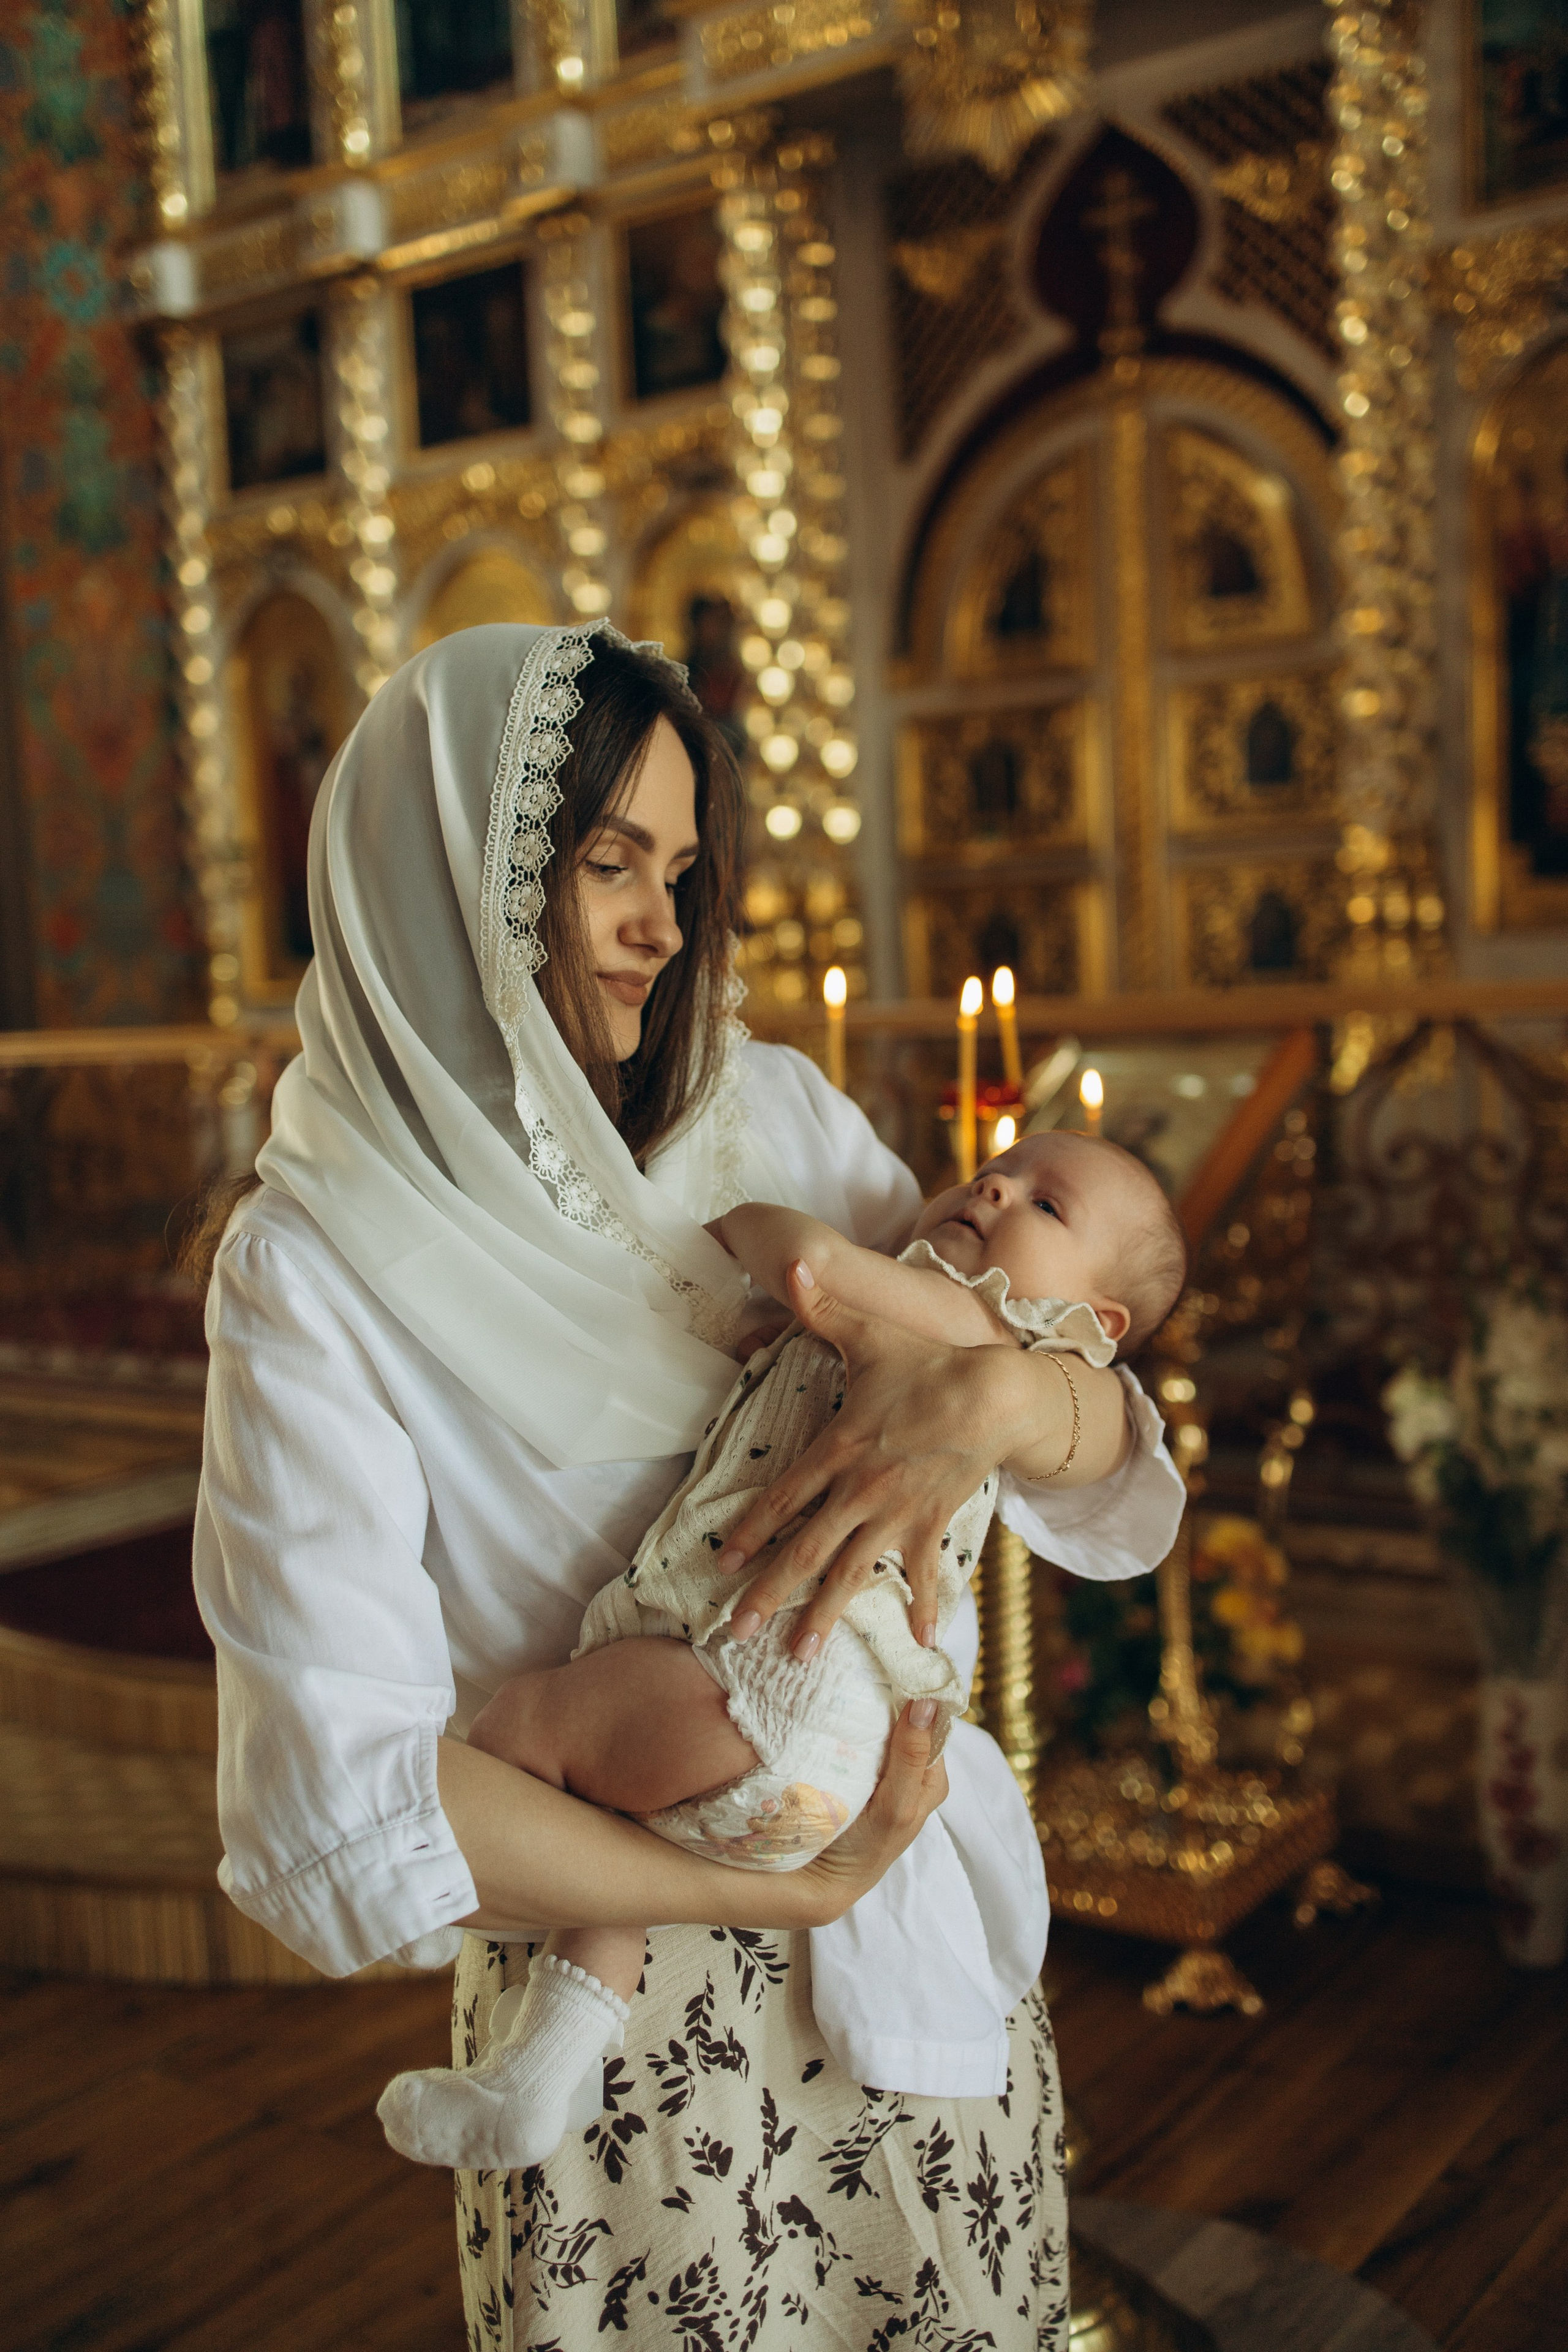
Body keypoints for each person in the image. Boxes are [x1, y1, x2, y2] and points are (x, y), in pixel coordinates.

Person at [192, 620, 1184, 2350]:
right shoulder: (313, 1269)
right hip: (633, 2075)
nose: (664, 921)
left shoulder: (773, 1120)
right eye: (605, 864)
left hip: (915, 1973)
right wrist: (774, 1890)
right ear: (442, 878)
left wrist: (998, 1396)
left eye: (679, 867)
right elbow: (336, 1820)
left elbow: (1107, 1472)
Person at [376, 1133, 1186, 2172]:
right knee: (607, 1841)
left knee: (520, 1726)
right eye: (1000, 1164)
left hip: (751, 1699)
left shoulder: (969, 1322)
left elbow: (802, 1253)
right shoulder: (946, 1328)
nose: (994, 1183)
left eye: (1047, 1205)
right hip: (816, 1770)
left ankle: (429, 1898)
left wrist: (712, 1228)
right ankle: (547, 2073)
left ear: (1093, 1323)